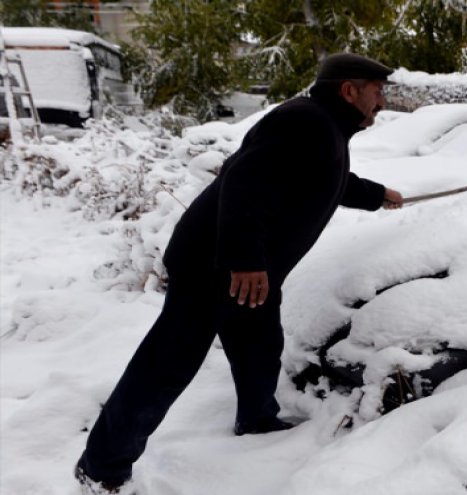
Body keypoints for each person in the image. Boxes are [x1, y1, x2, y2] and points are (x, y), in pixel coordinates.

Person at [75, 53, 404, 493]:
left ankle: (257, 419)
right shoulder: (304, 122)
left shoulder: (323, 128)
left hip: (250, 268)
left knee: (258, 343)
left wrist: (376, 194)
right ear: (350, 90)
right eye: (377, 91)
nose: (381, 102)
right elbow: (243, 185)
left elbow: (326, 179)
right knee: (166, 364)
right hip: (214, 265)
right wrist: (244, 261)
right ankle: (102, 468)